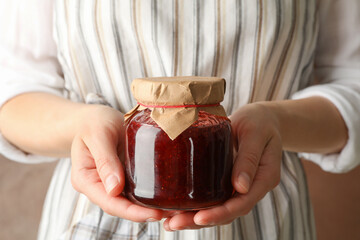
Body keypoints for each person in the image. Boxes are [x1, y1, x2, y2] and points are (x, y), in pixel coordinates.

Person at [0, 0, 359, 239]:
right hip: (90, 216)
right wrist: (83, 124)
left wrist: (277, 123)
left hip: (269, 219)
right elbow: (13, 90)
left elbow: (352, 84)